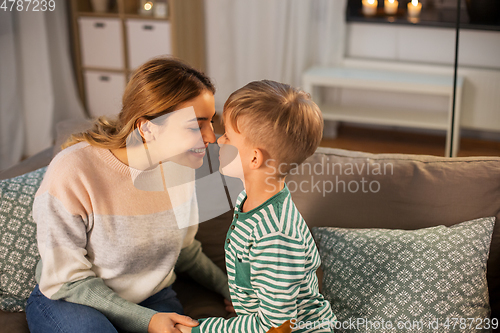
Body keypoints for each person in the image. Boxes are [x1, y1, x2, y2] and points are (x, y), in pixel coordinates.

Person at [25, 58, 231, 333]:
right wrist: (146, 321)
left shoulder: (180, 167)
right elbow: (66, 279)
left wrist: (228, 289)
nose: (211, 136)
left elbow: (184, 250)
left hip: (153, 297)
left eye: (211, 123)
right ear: (147, 128)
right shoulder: (73, 171)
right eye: (196, 125)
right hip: (71, 298)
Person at [176, 80, 336, 333]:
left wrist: (203, 329)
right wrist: (248, 303)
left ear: (254, 158)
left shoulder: (275, 236)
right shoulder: (251, 202)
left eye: (227, 134)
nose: (218, 141)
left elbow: (278, 325)